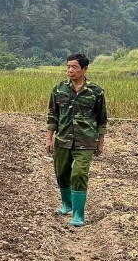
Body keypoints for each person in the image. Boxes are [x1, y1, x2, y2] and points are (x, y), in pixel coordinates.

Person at [46, 53, 108, 227]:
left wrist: (100, 142)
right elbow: (52, 115)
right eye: (68, 67)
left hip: (86, 140)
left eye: (74, 67)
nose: (70, 70)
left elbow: (102, 118)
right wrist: (49, 138)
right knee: (62, 173)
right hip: (63, 139)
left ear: (85, 69)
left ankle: (79, 214)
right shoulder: (59, 89)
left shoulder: (96, 91)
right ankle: (66, 204)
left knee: (79, 174)